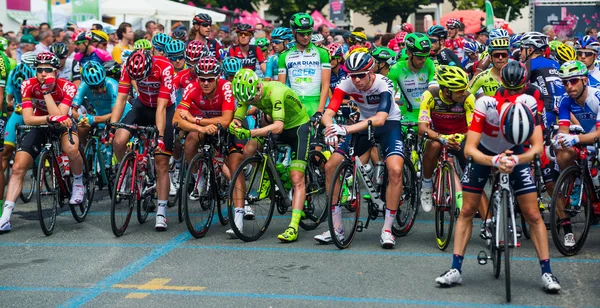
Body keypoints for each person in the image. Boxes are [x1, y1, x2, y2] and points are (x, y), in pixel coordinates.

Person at [434, 80, 561, 294]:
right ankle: (455, 269)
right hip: (484, 152)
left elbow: (538, 147)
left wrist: (518, 159)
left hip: (514, 152)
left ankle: (547, 272)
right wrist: (493, 161)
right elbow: (469, 150)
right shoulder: (485, 106)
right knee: (466, 210)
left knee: (532, 213)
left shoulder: (528, 103)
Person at [316, 52, 404, 248]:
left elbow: (381, 119)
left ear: (371, 72)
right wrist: (330, 129)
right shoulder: (347, 83)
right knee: (331, 166)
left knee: (396, 170)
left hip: (388, 124)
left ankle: (388, 229)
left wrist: (345, 129)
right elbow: (329, 112)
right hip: (363, 126)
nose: (356, 80)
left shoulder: (383, 83)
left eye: (361, 75)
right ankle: (336, 228)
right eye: (352, 75)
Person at [0, 52, 84, 232]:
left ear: (57, 72)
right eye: (39, 70)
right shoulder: (28, 84)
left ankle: (78, 182)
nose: (43, 74)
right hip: (41, 123)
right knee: (18, 167)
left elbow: (62, 116)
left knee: (71, 148)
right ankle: (5, 217)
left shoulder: (67, 87)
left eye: (48, 70)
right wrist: (52, 118)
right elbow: (28, 119)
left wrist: (46, 93)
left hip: (63, 125)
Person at [229, 68, 311, 242]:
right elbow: (239, 115)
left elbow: (278, 127)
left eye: (252, 99)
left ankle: (293, 227)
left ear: (258, 87)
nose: (249, 102)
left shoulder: (276, 91)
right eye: (246, 100)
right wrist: (234, 125)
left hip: (297, 127)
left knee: (297, 177)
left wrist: (250, 132)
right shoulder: (247, 93)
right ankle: (270, 177)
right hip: (277, 125)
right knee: (249, 150)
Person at [110, 49, 175, 231]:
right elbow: (122, 99)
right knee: (119, 140)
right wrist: (113, 127)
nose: (142, 80)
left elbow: (161, 107)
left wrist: (161, 137)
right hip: (142, 105)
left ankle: (161, 211)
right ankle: (130, 170)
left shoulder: (165, 67)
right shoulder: (128, 67)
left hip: (165, 108)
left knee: (161, 162)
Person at [553, 60, 600, 247]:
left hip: (595, 137)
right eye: (565, 82)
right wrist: (560, 139)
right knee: (563, 154)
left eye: (573, 81)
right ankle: (573, 180)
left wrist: (576, 139)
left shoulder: (597, 96)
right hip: (585, 139)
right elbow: (563, 130)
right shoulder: (566, 100)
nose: (569, 86)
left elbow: (598, 134)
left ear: (584, 80)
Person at [418, 66, 475, 212]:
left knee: (470, 161)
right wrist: (441, 138)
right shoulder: (430, 95)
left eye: (464, 89)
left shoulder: (468, 98)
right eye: (459, 91)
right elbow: (422, 128)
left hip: (460, 138)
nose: (464, 93)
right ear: (446, 90)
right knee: (433, 146)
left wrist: (461, 137)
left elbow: (473, 128)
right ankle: (427, 185)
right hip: (438, 136)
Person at [278, 13, 330, 118]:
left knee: (330, 132)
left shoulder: (322, 53)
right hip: (294, 103)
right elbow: (281, 87)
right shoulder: (284, 56)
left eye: (309, 33)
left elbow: (325, 85)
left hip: (315, 103)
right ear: (293, 32)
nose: (306, 37)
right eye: (302, 34)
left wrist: (320, 111)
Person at [387, 33, 436, 126]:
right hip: (407, 114)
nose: (424, 60)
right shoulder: (396, 69)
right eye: (420, 56)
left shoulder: (430, 64)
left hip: (428, 113)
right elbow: (389, 95)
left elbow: (434, 90)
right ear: (408, 53)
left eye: (426, 56)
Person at [520, 31, 562, 128]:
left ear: (529, 49)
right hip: (562, 111)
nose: (520, 52)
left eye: (521, 48)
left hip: (544, 111)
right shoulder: (555, 63)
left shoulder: (530, 63)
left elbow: (520, 86)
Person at [74, 61, 121, 143]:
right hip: (100, 117)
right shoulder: (83, 86)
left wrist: (94, 119)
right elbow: (72, 110)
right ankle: (84, 151)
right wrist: (80, 118)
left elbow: (116, 114)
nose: (99, 90)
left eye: (102, 85)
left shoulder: (112, 85)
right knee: (81, 127)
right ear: (87, 84)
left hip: (119, 117)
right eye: (94, 88)